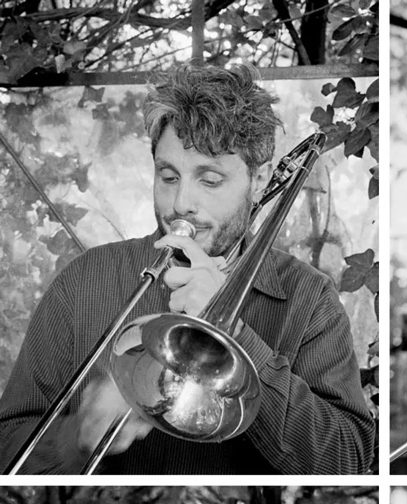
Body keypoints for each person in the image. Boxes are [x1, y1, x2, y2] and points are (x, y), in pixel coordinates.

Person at [0, 63, 375, 475]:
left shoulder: (309, 297)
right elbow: (8, 444)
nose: (181, 203)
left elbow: (347, 461)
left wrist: (236, 337)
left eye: (209, 180)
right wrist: (78, 437)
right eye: (168, 175)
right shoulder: (85, 280)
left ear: (259, 178)